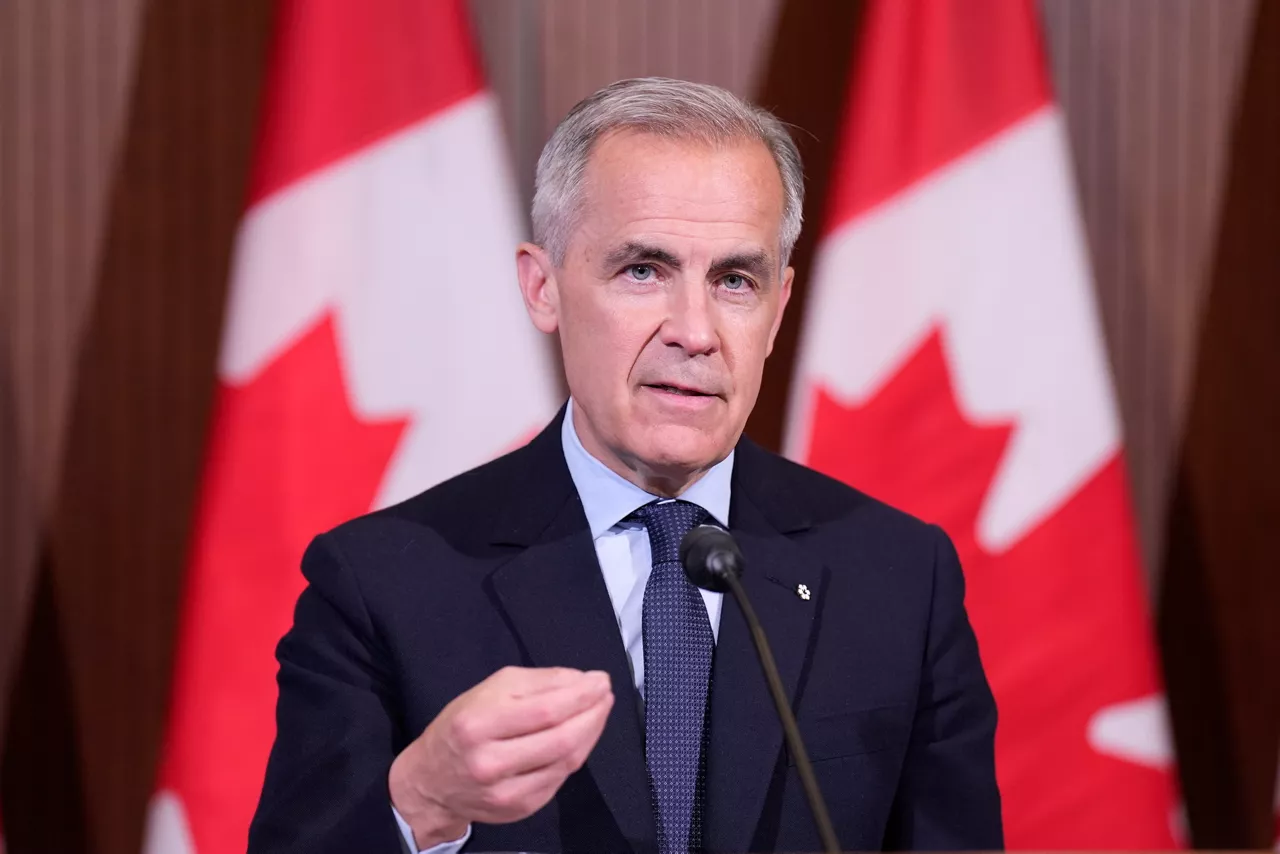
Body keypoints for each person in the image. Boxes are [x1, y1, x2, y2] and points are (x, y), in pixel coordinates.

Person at [249, 77, 1002, 854]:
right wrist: (421, 801)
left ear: (777, 310)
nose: (695, 331)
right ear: (543, 289)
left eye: (733, 281)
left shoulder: (898, 577)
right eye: (643, 270)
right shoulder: (385, 584)